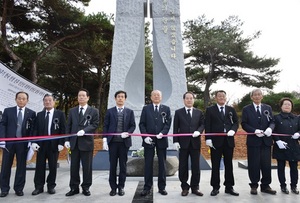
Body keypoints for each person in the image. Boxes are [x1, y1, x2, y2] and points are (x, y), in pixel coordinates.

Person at [0, 91, 36, 197]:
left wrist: (31, 141)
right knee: (6, 166)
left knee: (21, 167)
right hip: (9, 143)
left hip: (23, 143)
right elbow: (2, 125)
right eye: (19, 98)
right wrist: (2, 139)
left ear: (27, 101)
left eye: (23, 98)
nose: (21, 100)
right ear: (15, 99)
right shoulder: (8, 111)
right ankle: (4, 189)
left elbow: (33, 129)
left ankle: (19, 188)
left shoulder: (31, 113)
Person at [64, 88, 99, 196]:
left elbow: (95, 124)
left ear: (88, 97)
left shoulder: (94, 111)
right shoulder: (72, 111)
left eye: (83, 96)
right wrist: (67, 139)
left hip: (87, 143)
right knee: (74, 167)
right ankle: (74, 188)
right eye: (79, 96)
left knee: (87, 167)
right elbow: (68, 126)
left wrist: (84, 131)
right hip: (74, 143)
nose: (81, 97)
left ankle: (86, 187)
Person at [241, 88, 276, 195]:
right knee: (254, 164)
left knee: (266, 164)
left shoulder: (267, 108)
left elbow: (272, 121)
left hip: (266, 141)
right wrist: (254, 131)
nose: (257, 96)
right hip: (253, 141)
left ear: (262, 96)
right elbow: (244, 123)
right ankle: (254, 185)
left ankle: (265, 185)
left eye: (259, 94)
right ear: (251, 97)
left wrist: (270, 128)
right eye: (255, 95)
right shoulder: (246, 109)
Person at [205, 90, 239, 196]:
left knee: (229, 164)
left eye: (223, 96)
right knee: (215, 165)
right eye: (219, 96)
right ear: (215, 98)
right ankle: (215, 187)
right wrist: (208, 138)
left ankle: (229, 187)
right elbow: (208, 125)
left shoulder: (230, 109)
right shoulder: (210, 110)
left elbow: (236, 122)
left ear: (225, 97)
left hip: (228, 141)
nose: (221, 98)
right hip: (215, 142)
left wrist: (233, 130)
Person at [30, 94, 66, 195]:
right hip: (41, 145)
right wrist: (34, 142)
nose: (47, 102)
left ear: (54, 102)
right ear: (43, 102)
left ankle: (51, 186)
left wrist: (61, 142)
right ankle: (38, 187)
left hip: (54, 145)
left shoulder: (60, 114)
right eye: (45, 100)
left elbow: (63, 129)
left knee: (53, 166)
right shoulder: (39, 115)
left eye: (50, 100)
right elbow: (35, 130)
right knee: (40, 167)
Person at [102, 90, 136, 196]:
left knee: (123, 166)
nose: (120, 98)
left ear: (125, 99)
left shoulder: (130, 112)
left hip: (124, 143)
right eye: (118, 96)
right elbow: (105, 126)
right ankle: (113, 188)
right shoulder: (110, 111)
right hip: (112, 143)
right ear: (115, 98)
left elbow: (133, 125)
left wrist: (128, 132)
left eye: (122, 97)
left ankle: (121, 187)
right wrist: (104, 139)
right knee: (112, 166)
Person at [139, 90, 171, 196]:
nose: (156, 96)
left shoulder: (166, 109)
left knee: (162, 164)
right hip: (149, 140)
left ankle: (162, 187)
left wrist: (163, 133)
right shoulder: (146, 109)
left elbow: (168, 123)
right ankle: (147, 187)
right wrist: (145, 136)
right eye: (154, 95)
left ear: (161, 97)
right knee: (148, 164)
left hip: (161, 140)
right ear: (151, 97)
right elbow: (142, 124)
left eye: (158, 95)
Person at [173, 91, 205, 196]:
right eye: (187, 98)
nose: (189, 100)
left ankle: (195, 187)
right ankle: (184, 187)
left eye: (191, 98)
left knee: (196, 166)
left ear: (193, 100)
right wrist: (175, 141)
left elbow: (202, 124)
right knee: (183, 166)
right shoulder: (178, 112)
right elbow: (175, 128)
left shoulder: (199, 112)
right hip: (183, 144)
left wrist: (199, 131)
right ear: (184, 100)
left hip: (195, 143)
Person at [272, 98, 300, 194]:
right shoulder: (276, 117)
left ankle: (294, 186)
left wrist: (298, 134)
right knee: (281, 166)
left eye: (289, 104)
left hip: (293, 145)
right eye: (285, 104)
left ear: (291, 107)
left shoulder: (297, 118)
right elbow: (273, 130)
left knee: (294, 167)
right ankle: (283, 186)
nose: (287, 106)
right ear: (281, 106)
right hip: (281, 145)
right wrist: (278, 141)